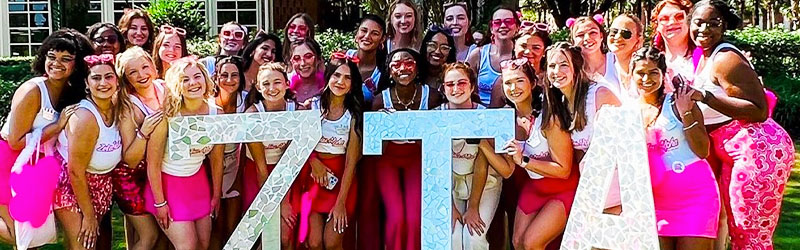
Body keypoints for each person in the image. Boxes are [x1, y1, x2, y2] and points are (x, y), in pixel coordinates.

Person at [690, 1, 795, 248]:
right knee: (739, 233)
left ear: (724, 26)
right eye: (699, 22)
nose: (705, 29)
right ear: (689, 23)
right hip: (735, 152)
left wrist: (706, 97)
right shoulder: (705, 57)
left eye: (713, 23)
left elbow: (758, 110)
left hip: (758, 149)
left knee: (751, 238)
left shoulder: (725, 58)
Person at [0, 29, 93, 244]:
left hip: (36, 166)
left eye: (66, 59)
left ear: (77, 65)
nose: (56, 63)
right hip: (8, 162)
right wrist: (56, 126)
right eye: (52, 56)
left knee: (33, 237)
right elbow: (15, 141)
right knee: (18, 234)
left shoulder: (70, 92)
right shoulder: (33, 90)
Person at [632, 46, 720, 250]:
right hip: (653, 203)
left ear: (663, 74)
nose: (647, 79)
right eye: (641, 73)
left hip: (695, 199)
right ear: (632, 74)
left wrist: (686, 113)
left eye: (653, 72)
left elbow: (702, 150)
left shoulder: (680, 101)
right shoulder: (628, 111)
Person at [491, 56, 578, 250]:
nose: (514, 88)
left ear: (533, 82)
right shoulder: (507, 119)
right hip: (535, 187)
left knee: (532, 243)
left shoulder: (549, 116)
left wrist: (524, 160)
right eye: (508, 83)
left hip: (563, 188)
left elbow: (563, 170)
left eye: (520, 80)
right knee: (517, 243)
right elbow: (508, 169)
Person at [144, 58, 225, 250]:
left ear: (206, 79)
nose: (193, 83)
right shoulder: (167, 116)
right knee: (188, 246)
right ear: (176, 85)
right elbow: (152, 164)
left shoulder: (217, 114)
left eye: (197, 77)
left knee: (203, 245)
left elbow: (217, 158)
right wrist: (160, 203)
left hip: (198, 184)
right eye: (185, 79)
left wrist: (216, 195)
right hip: (168, 186)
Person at [54, 53, 128, 250]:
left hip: (101, 186)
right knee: (83, 245)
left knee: (80, 244)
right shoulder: (85, 118)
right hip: (72, 186)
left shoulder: (116, 108)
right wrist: (88, 216)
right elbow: (75, 171)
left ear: (117, 81)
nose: (103, 82)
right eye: (96, 78)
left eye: (108, 76)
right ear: (87, 84)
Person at [372, 48, 441, 250]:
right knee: (396, 217)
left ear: (418, 68)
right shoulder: (379, 100)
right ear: (389, 71)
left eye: (409, 63)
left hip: (418, 158)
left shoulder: (433, 97)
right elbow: (375, 147)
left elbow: (438, 136)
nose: (403, 68)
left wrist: (415, 132)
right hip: (388, 159)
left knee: (414, 217)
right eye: (396, 64)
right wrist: (385, 127)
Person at [548, 42, 622, 213]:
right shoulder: (560, 103)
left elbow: (624, 142)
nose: (556, 71)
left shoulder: (600, 95)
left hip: (617, 183)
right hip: (591, 185)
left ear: (576, 67)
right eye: (552, 66)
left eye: (564, 65)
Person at [300, 58, 364, 250]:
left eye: (347, 78)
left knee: (333, 241)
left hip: (342, 182)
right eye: (336, 75)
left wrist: (340, 203)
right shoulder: (312, 106)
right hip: (313, 177)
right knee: (314, 242)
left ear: (352, 85)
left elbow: (351, 162)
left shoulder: (353, 115)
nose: (340, 82)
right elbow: (301, 143)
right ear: (328, 77)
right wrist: (313, 161)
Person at [436, 62, 500, 250]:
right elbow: (435, 166)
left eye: (462, 83)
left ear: (472, 86)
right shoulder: (434, 117)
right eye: (450, 84)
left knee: (473, 237)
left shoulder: (485, 116)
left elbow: (483, 164)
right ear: (443, 88)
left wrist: (473, 207)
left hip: (484, 185)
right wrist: (451, 207)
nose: (456, 89)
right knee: (452, 237)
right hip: (451, 187)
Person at [114, 46, 166, 250]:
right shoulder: (128, 106)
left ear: (153, 66)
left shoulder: (164, 88)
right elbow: (131, 159)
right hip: (131, 178)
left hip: (159, 173)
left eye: (145, 67)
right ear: (126, 78)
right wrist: (143, 132)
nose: (142, 75)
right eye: (133, 72)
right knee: (149, 236)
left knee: (164, 235)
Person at [209, 55, 248, 249]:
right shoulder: (208, 103)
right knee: (215, 224)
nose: (229, 80)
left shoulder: (246, 101)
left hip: (236, 163)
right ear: (216, 77)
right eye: (224, 75)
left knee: (233, 225)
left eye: (235, 75)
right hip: (210, 166)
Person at [466, 5, 519, 106]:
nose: (503, 26)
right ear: (491, 28)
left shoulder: (521, 55)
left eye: (508, 21)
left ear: (517, 26)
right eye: (497, 23)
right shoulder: (478, 55)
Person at [568, 15, 621, 92]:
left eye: (593, 32)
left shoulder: (616, 60)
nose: (587, 38)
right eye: (580, 35)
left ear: (601, 36)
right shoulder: (572, 71)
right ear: (573, 41)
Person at [652, 0, 695, 89]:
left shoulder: (704, 57)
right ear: (657, 26)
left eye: (679, 16)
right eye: (664, 19)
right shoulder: (652, 61)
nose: (671, 22)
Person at [347, 14, 387, 104]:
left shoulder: (383, 72)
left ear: (382, 39)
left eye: (375, 33)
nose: (367, 36)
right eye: (364, 31)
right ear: (357, 34)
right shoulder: (342, 58)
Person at [607, 14, 644, 98]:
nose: (618, 37)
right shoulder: (602, 66)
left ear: (638, 40)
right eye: (614, 32)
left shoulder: (646, 68)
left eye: (626, 34)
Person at [420, 25, 457, 92]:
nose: (437, 51)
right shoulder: (415, 75)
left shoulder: (455, 77)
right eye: (432, 45)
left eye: (444, 48)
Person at [289, 39, 326, 104]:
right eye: (297, 58)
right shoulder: (283, 85)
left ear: (319, 59)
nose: (303, 63)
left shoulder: (329, 85)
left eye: (308, 56)